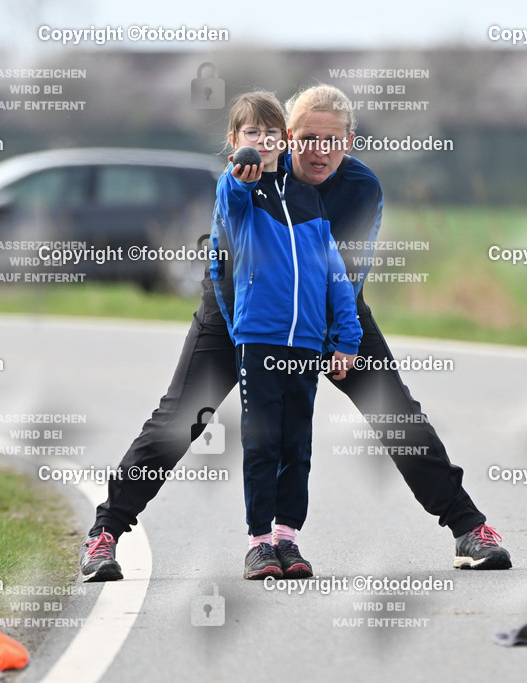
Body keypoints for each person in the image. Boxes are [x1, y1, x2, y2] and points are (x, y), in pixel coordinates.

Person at [80, 84, 511, 582]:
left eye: (332, 140)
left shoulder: (361, 187)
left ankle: (470, 529)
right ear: (287, 137)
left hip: (330, 311)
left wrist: (343, 342)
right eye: (307, 138)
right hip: (240, 315)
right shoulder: (252, 173)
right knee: (181, 419)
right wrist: (245, 340)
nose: (319, 150)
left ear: (348, 142)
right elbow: (225, 265)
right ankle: (104, 534)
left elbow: (347, 273)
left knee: (397, 415)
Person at [211, 91, 361, 579]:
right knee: (262, 444)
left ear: (286, 140)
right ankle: (258, 543)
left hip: (306, 343)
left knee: (297, 444)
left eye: (271, 134)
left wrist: (347, 336)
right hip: (259, 339)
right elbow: (229, 202)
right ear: (234, 142)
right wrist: (241, 174)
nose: (262, 141)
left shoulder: (307, 198)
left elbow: (333, 269)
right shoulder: (238, 192)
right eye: (251, 134)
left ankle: (287, 540)